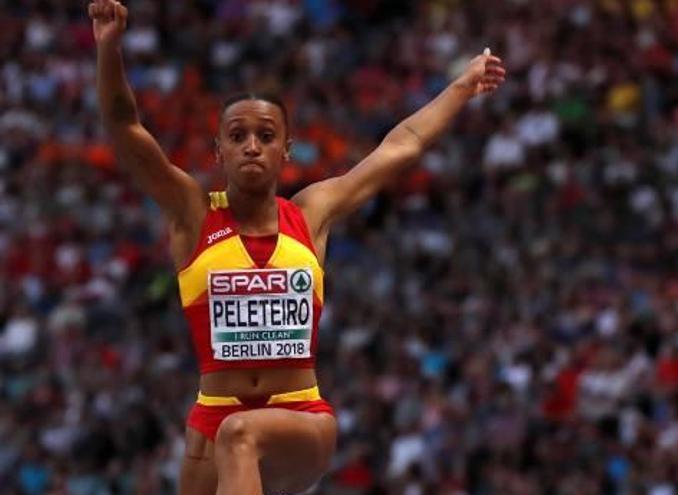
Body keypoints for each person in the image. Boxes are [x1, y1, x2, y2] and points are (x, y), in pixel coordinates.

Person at [88, 0, 506, 493]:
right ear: (218, 149)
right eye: (237, 135)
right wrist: (109, 48)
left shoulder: (311, 213)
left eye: (266, 136)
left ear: (286, 151)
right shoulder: (193, 214)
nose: (251, 146)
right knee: (229, 433)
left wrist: (461, 87)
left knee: (239, 435)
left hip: (299, 414)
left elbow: (402, 145)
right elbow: (124, 126)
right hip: (212, 417)